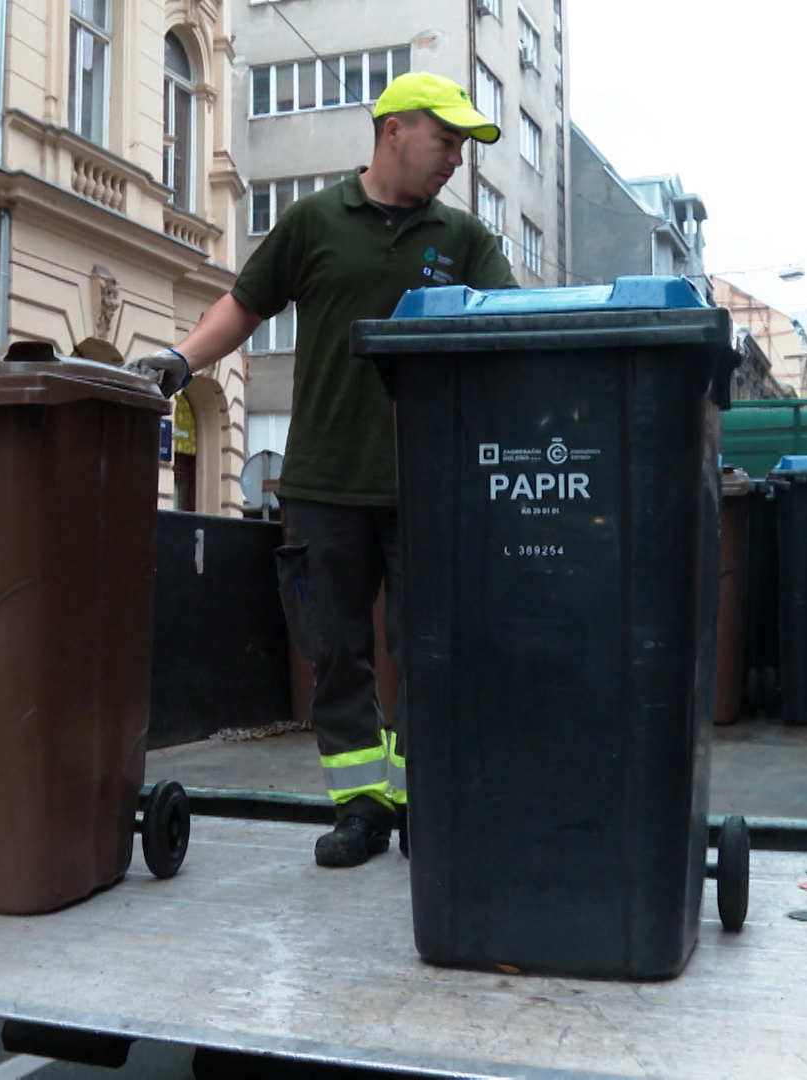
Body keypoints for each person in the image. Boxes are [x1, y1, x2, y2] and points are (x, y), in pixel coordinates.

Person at [125, 72, 517, 867]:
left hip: (430, 485)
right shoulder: (314, 222)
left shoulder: (467, 240)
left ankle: (425, 801)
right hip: (325, 482)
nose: (455, 161)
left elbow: (509, 328)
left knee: (431, 647)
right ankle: (361, 809)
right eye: (447, 141)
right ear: (395, 129)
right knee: (338, 653)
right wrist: (177, 360)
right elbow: (246, 305)